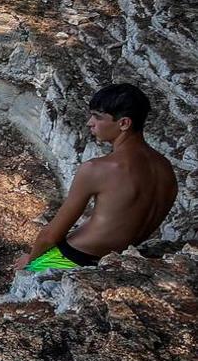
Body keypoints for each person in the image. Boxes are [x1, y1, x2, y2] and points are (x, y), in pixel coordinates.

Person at [19, 83, 176, 273]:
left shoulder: (96, 169)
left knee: (22, 279)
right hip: (120, 260)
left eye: (97, 117)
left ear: (124, 123)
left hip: (73, 258)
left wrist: (31, 263)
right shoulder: (165, 168)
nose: (89, 123)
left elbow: (50, 234)